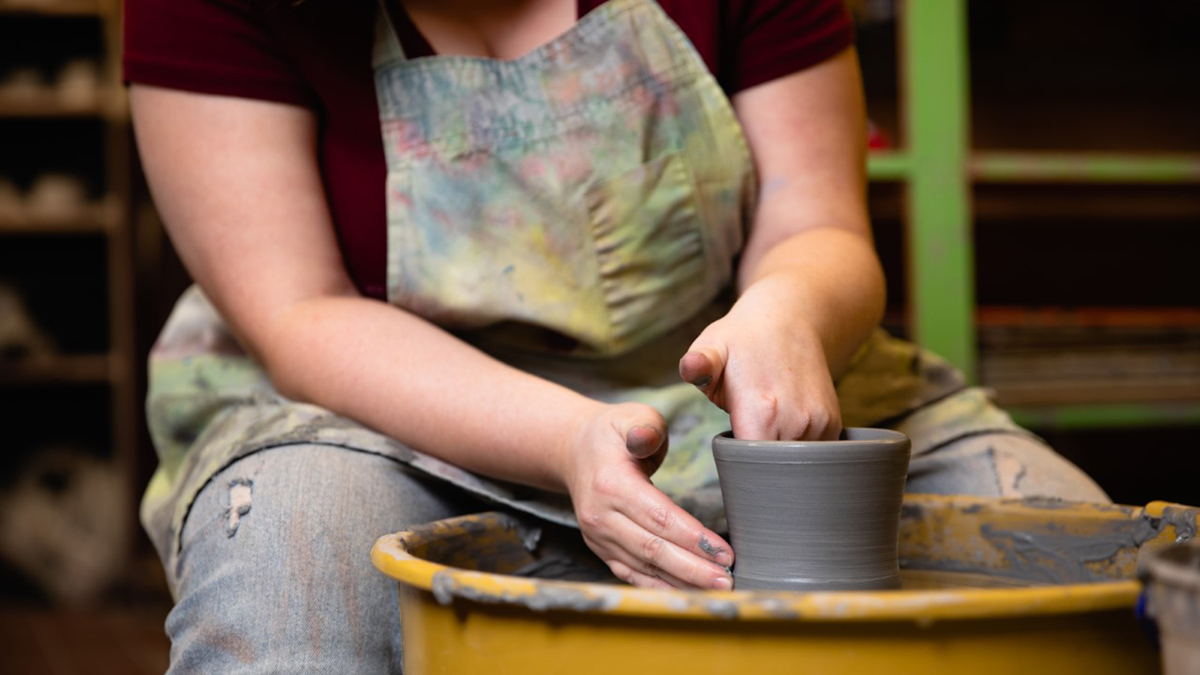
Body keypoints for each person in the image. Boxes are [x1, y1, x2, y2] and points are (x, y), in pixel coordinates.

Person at [125, 0, 1109, 671]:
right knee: (287, 587)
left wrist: (790, 311)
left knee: (1106, 588)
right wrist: (562, 438)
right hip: (367, 403)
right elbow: (303, 312)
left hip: (727, 374)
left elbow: (820, 222)